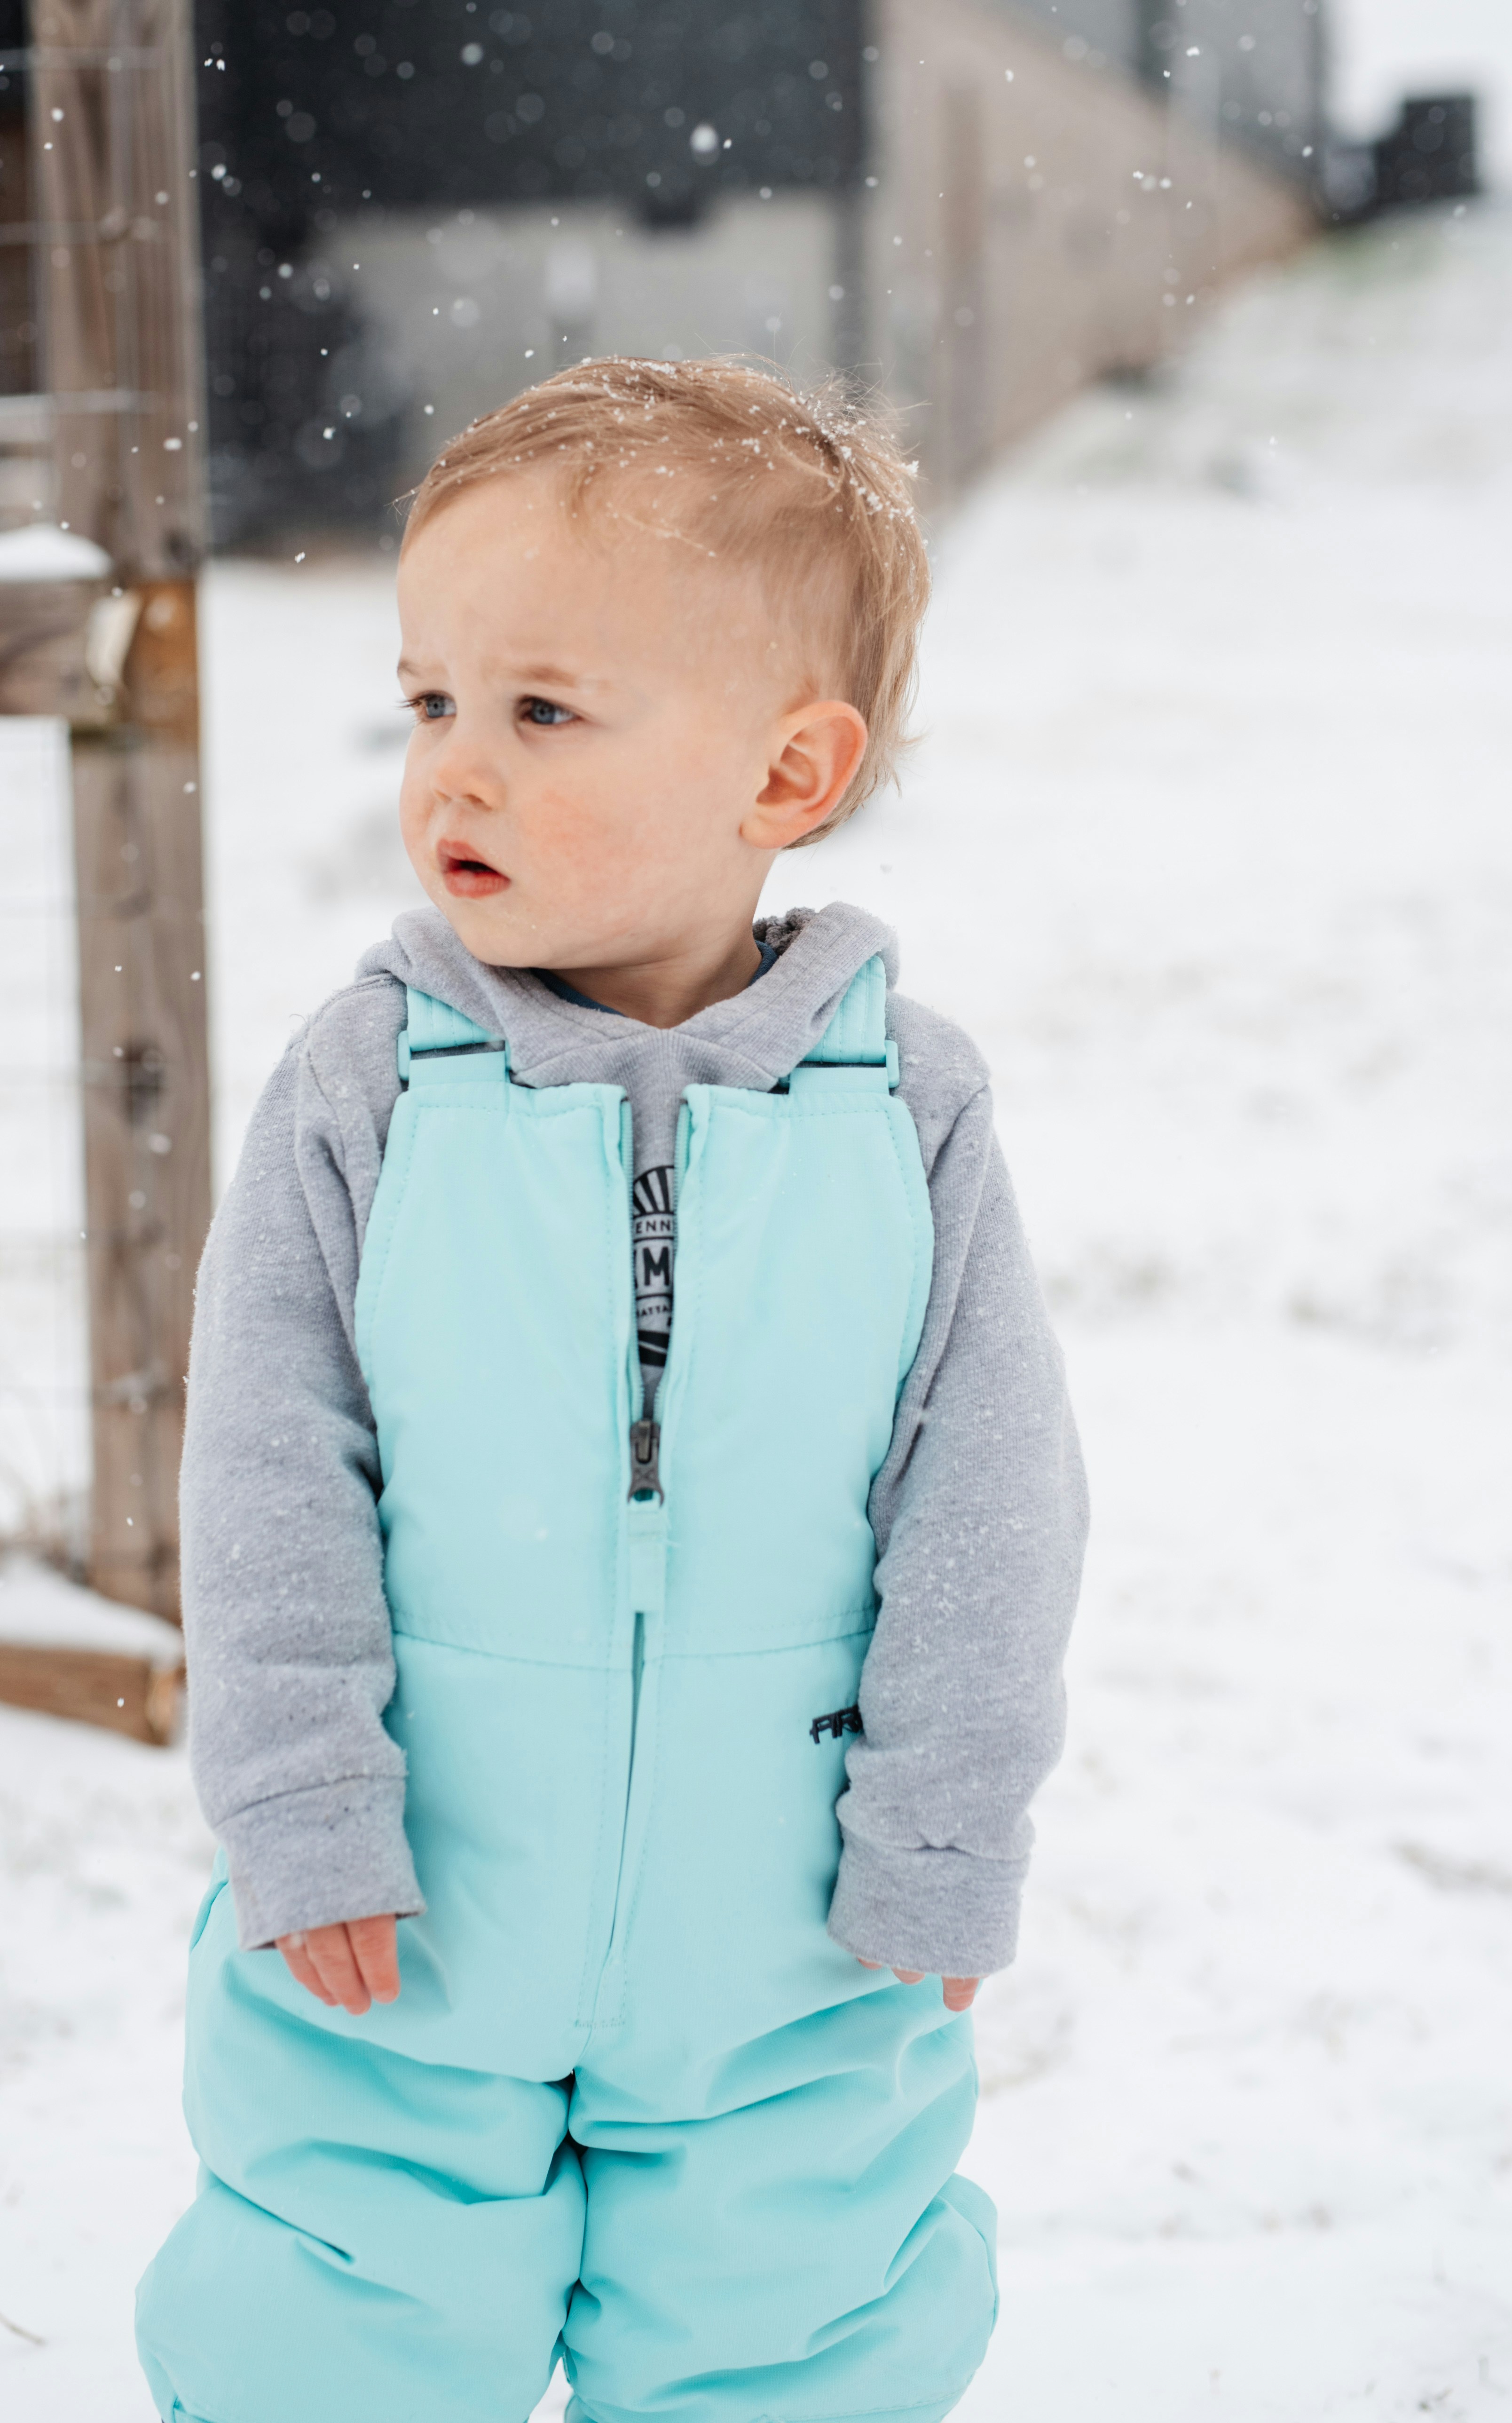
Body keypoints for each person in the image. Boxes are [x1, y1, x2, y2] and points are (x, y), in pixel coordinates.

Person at [136, 356, 1088, 2423]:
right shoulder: (369, 1086)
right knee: (334, 2324)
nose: (450, 773)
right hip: (407, 1912)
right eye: (430, 702)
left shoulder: (900, 1109)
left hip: (787, 1940)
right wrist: (300, 1801)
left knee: (795, 2328)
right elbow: (267, 1469)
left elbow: (991, 1494)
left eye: (539, 711)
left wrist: (941, 1826)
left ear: (784, 773)